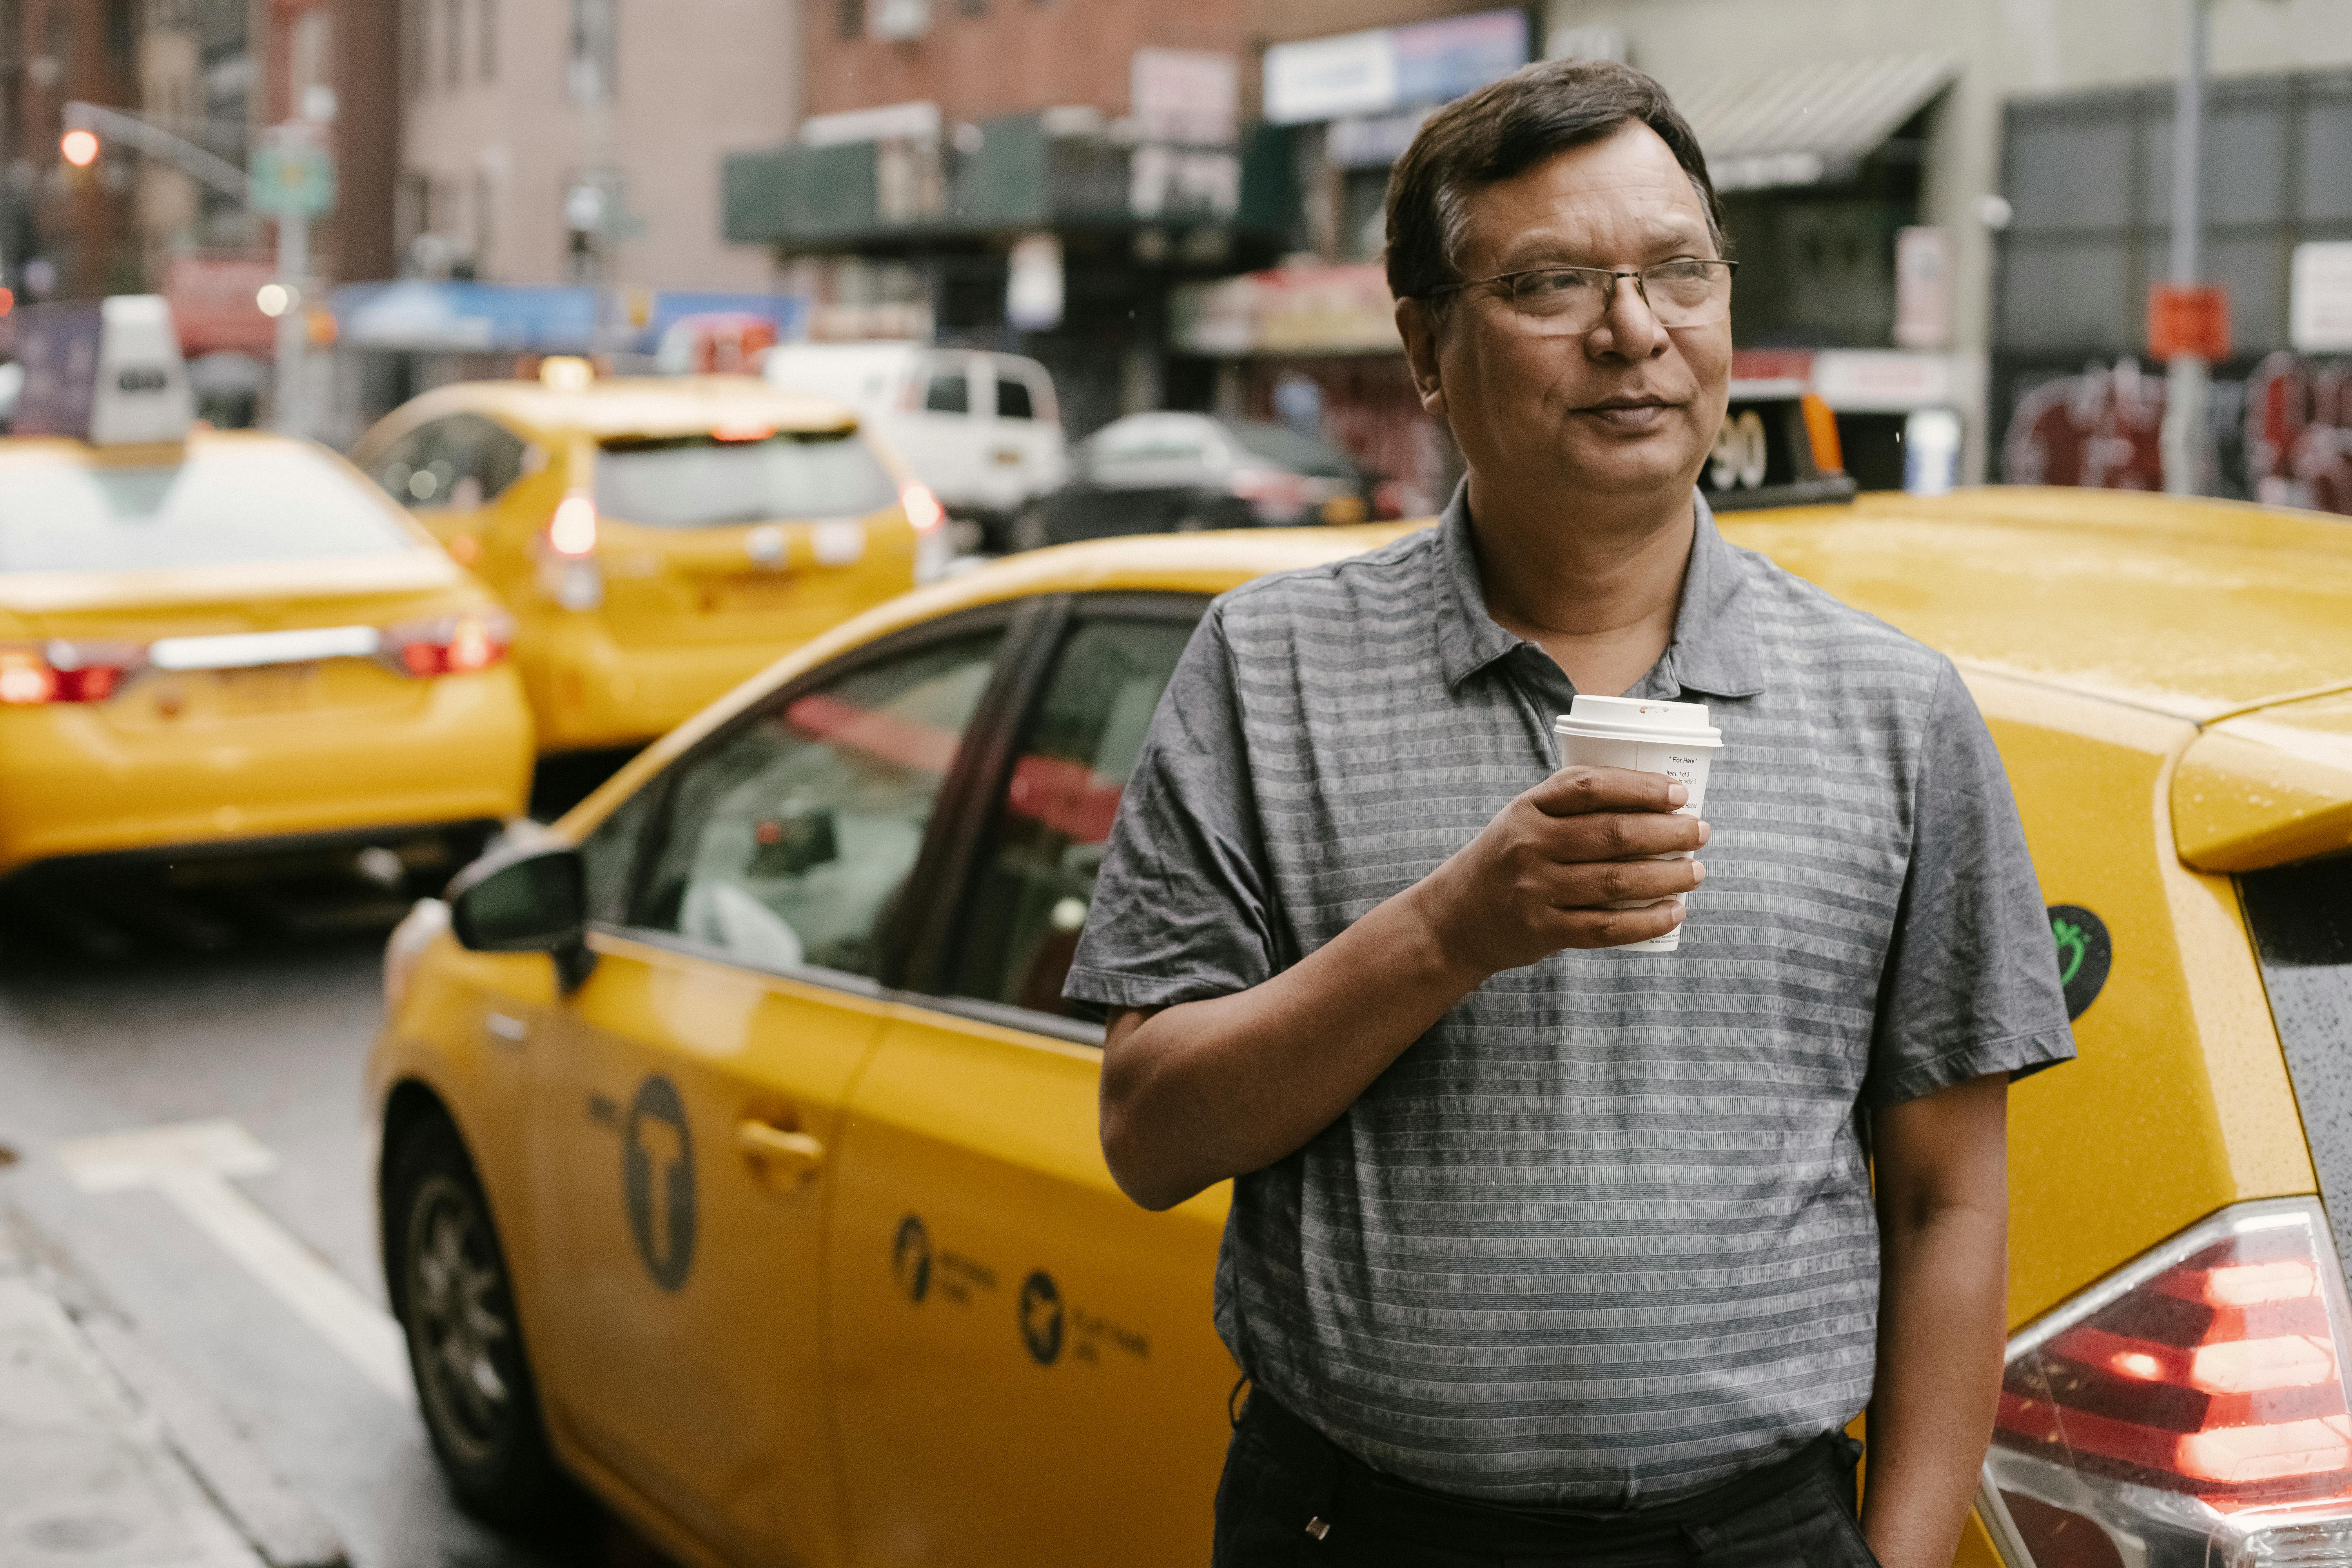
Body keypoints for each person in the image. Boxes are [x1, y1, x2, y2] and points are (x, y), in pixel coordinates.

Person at [1064, 58, 2076, 1568]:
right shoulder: (1268, 668)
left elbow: (1945, 1202)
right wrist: (1451, 930)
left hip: (1755, 1534)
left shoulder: (1895, 709)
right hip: (1356, 1524)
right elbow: (1150, 1138)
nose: (1636, 332)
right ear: (1426, 346)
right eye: (1554, 282)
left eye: (1678, 271)